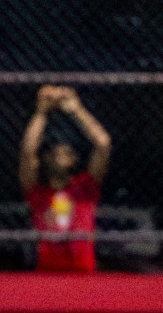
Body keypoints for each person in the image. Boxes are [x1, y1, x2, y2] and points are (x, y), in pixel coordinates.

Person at [18, 86, 111, 273]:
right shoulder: (38, 193)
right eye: (54, 152)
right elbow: (27, 152)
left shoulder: (85, 187)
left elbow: (103, 144)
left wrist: (77, 109)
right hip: (47, 274)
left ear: (74, 160)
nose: (59, 154)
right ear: (45, 158)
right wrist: (41, 113)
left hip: (82, 274)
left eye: (66, 152)